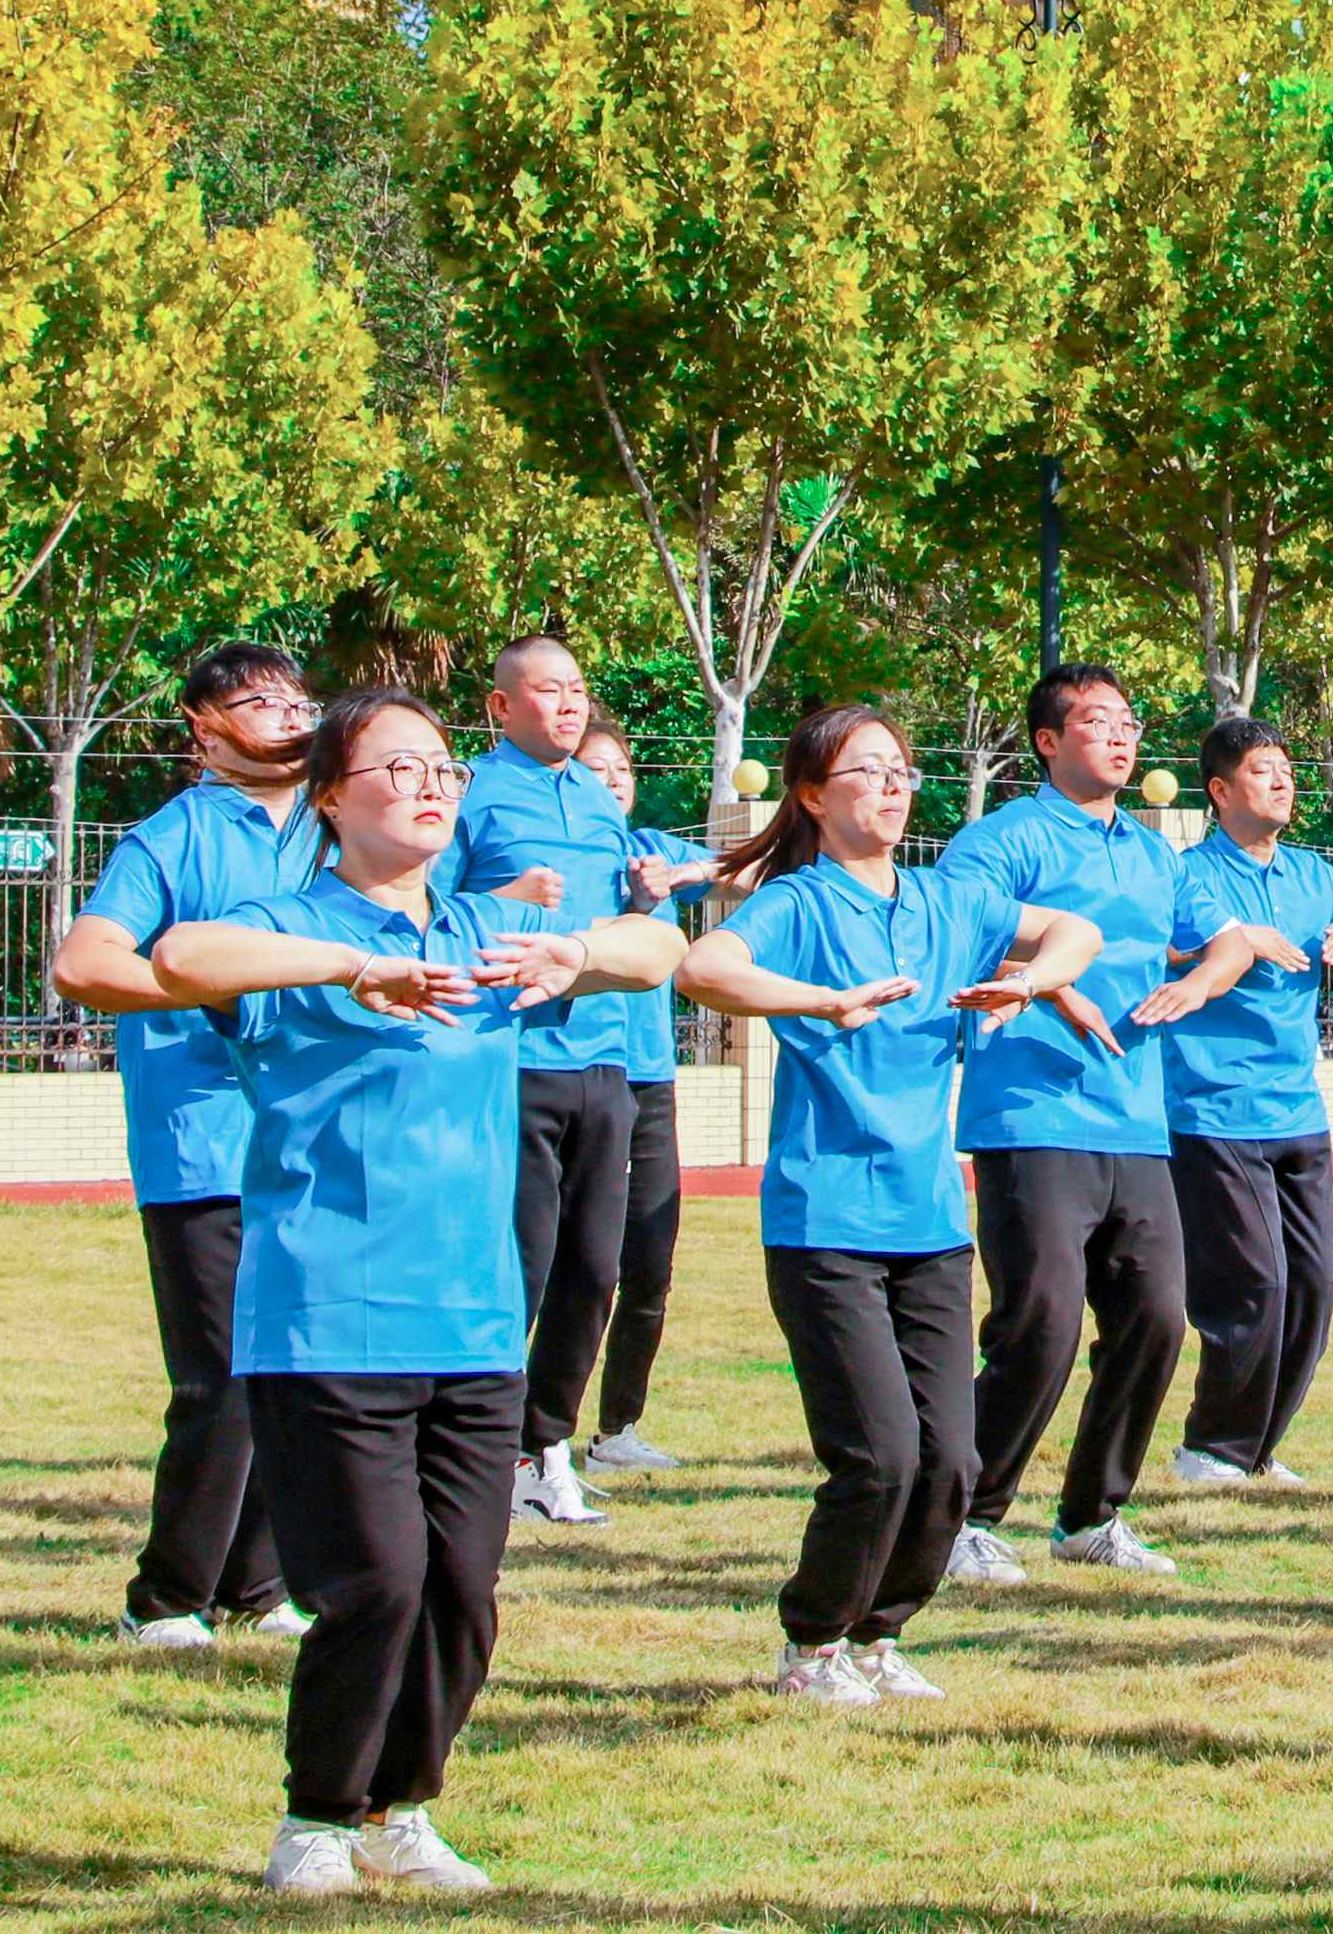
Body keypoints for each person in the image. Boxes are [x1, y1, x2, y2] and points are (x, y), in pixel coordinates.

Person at [146, 686, 684, 1898]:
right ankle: (316, 1818)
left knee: (462, 1593)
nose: (433, 785)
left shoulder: (486, 924)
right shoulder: (287, 925)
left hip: (476, 1316)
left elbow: (664, 950)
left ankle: (401, 1808)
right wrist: (358, 966)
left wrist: (577, 950)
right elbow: (180, 957)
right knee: (377, 1582)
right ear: (330, 796)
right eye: (399, 767)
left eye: (444, 766)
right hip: (327, 1312)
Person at [667, 702, 1101, 1703]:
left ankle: (879, 1634)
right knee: (880, 1455)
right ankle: (813, 1641)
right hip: (825, 1219)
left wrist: (1033, 982)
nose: (894, 786)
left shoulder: (949, 900)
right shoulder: (800, 904)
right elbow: (704, 967)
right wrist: (820, 1000)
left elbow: (1076, 929)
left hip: (930, 1221)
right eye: (868, 771)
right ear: (814, 796)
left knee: (950, 1460)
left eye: (902, 769)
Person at [50, 639, 327, 1650]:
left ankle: (257, 1583)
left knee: (296, 1373)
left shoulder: (336, 824)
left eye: (301, 701)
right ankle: (164, 1598)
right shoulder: (171, 838)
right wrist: (214, 990)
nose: (292, 716)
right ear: (205, 731)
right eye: (262, 703)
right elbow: (84, 963)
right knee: (220, 1382)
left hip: (315, 1139)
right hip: (204, 1145)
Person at [940, 666, 1185, 1582]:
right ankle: (958, 1516)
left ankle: (1091, 1515)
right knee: (1039, 1322)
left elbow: (1204, 939)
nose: (1121, 737)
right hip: (1031, 1112)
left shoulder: (1157, 854)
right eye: (1096, 722)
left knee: (1156, 1318)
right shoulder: (1000, 840)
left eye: (1128, 722)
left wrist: (1221, 963)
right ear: (1048, 741)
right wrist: (1050, 985)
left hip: (1136, 1118)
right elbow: (956, 930)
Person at [1140, 715, 1333, 1491]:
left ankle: (1257, 1449)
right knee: (1255, 1287)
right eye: (1261, 770)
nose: (1281, 781)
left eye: (1286, 769)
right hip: (1212, 1111)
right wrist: (1236, 936)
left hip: (1297, 1112)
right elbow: (1168, 945)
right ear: (1219, 790)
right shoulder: (1189, 874)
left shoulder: (1311, 873)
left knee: (1311, 1290)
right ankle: (1211, 1448)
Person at [454, 635, 660, 1530]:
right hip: (511, 1059)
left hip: (604, 1057)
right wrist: (505, 896)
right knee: (522, 1263)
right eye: (549, 691)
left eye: (578, 690)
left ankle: (545, 1447)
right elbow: (423, 911)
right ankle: (485, 1449)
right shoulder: (468, 791)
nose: (570, 705)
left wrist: (642, 902)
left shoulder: (597, 798)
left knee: (595, 1266)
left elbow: (614, 925)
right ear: (501, 706)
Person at [566, 719, 725, 1475]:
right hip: (575, 1075)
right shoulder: (562, 858)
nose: (612, 783)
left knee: (649, 1262)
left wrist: (682, 876)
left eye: (621, 771)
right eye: (594, 771)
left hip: (650, 1081)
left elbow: (751, 868)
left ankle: (617, 1430)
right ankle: (532, 1439)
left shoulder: (653, 849)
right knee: (578, 1264)